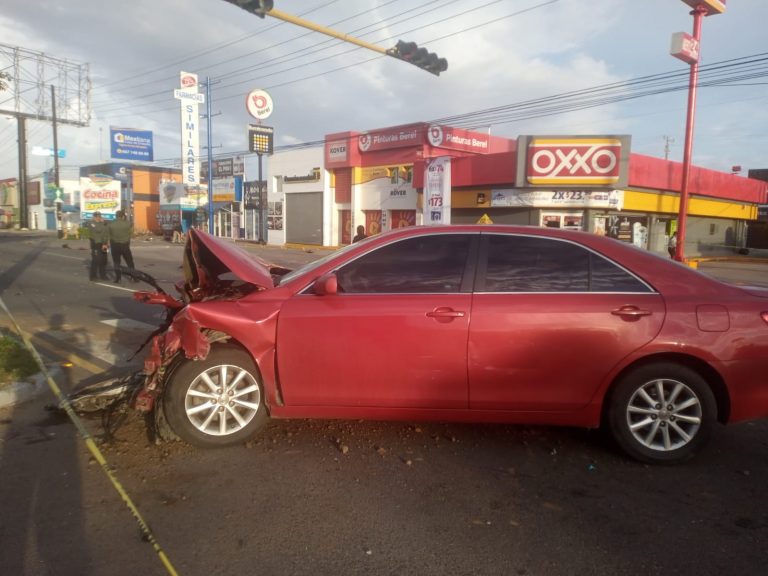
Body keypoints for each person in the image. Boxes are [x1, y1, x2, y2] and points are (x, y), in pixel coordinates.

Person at [108, 210, 137, 283]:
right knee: (130, 262)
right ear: (123, 216)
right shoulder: (127, 223)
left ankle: (118, 278)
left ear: (116, 216)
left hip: (115, 245)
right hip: (125, 245)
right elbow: (130, 227)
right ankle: (134, 277)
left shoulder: (111, 224)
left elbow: (108, 234)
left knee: (117, 263)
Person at [88, 211, 109, 281]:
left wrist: (106, 243)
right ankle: (93, 276)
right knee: (96, 260)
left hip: (104, 243)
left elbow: (107, 232)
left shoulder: (102, 224)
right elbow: (98, 230)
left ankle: (103, 275)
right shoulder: (91, 223)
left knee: (104, 260)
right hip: (96, 243)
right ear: (94, 217)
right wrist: (103, 223)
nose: (98, 218)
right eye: (97, 216)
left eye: (99, 216)